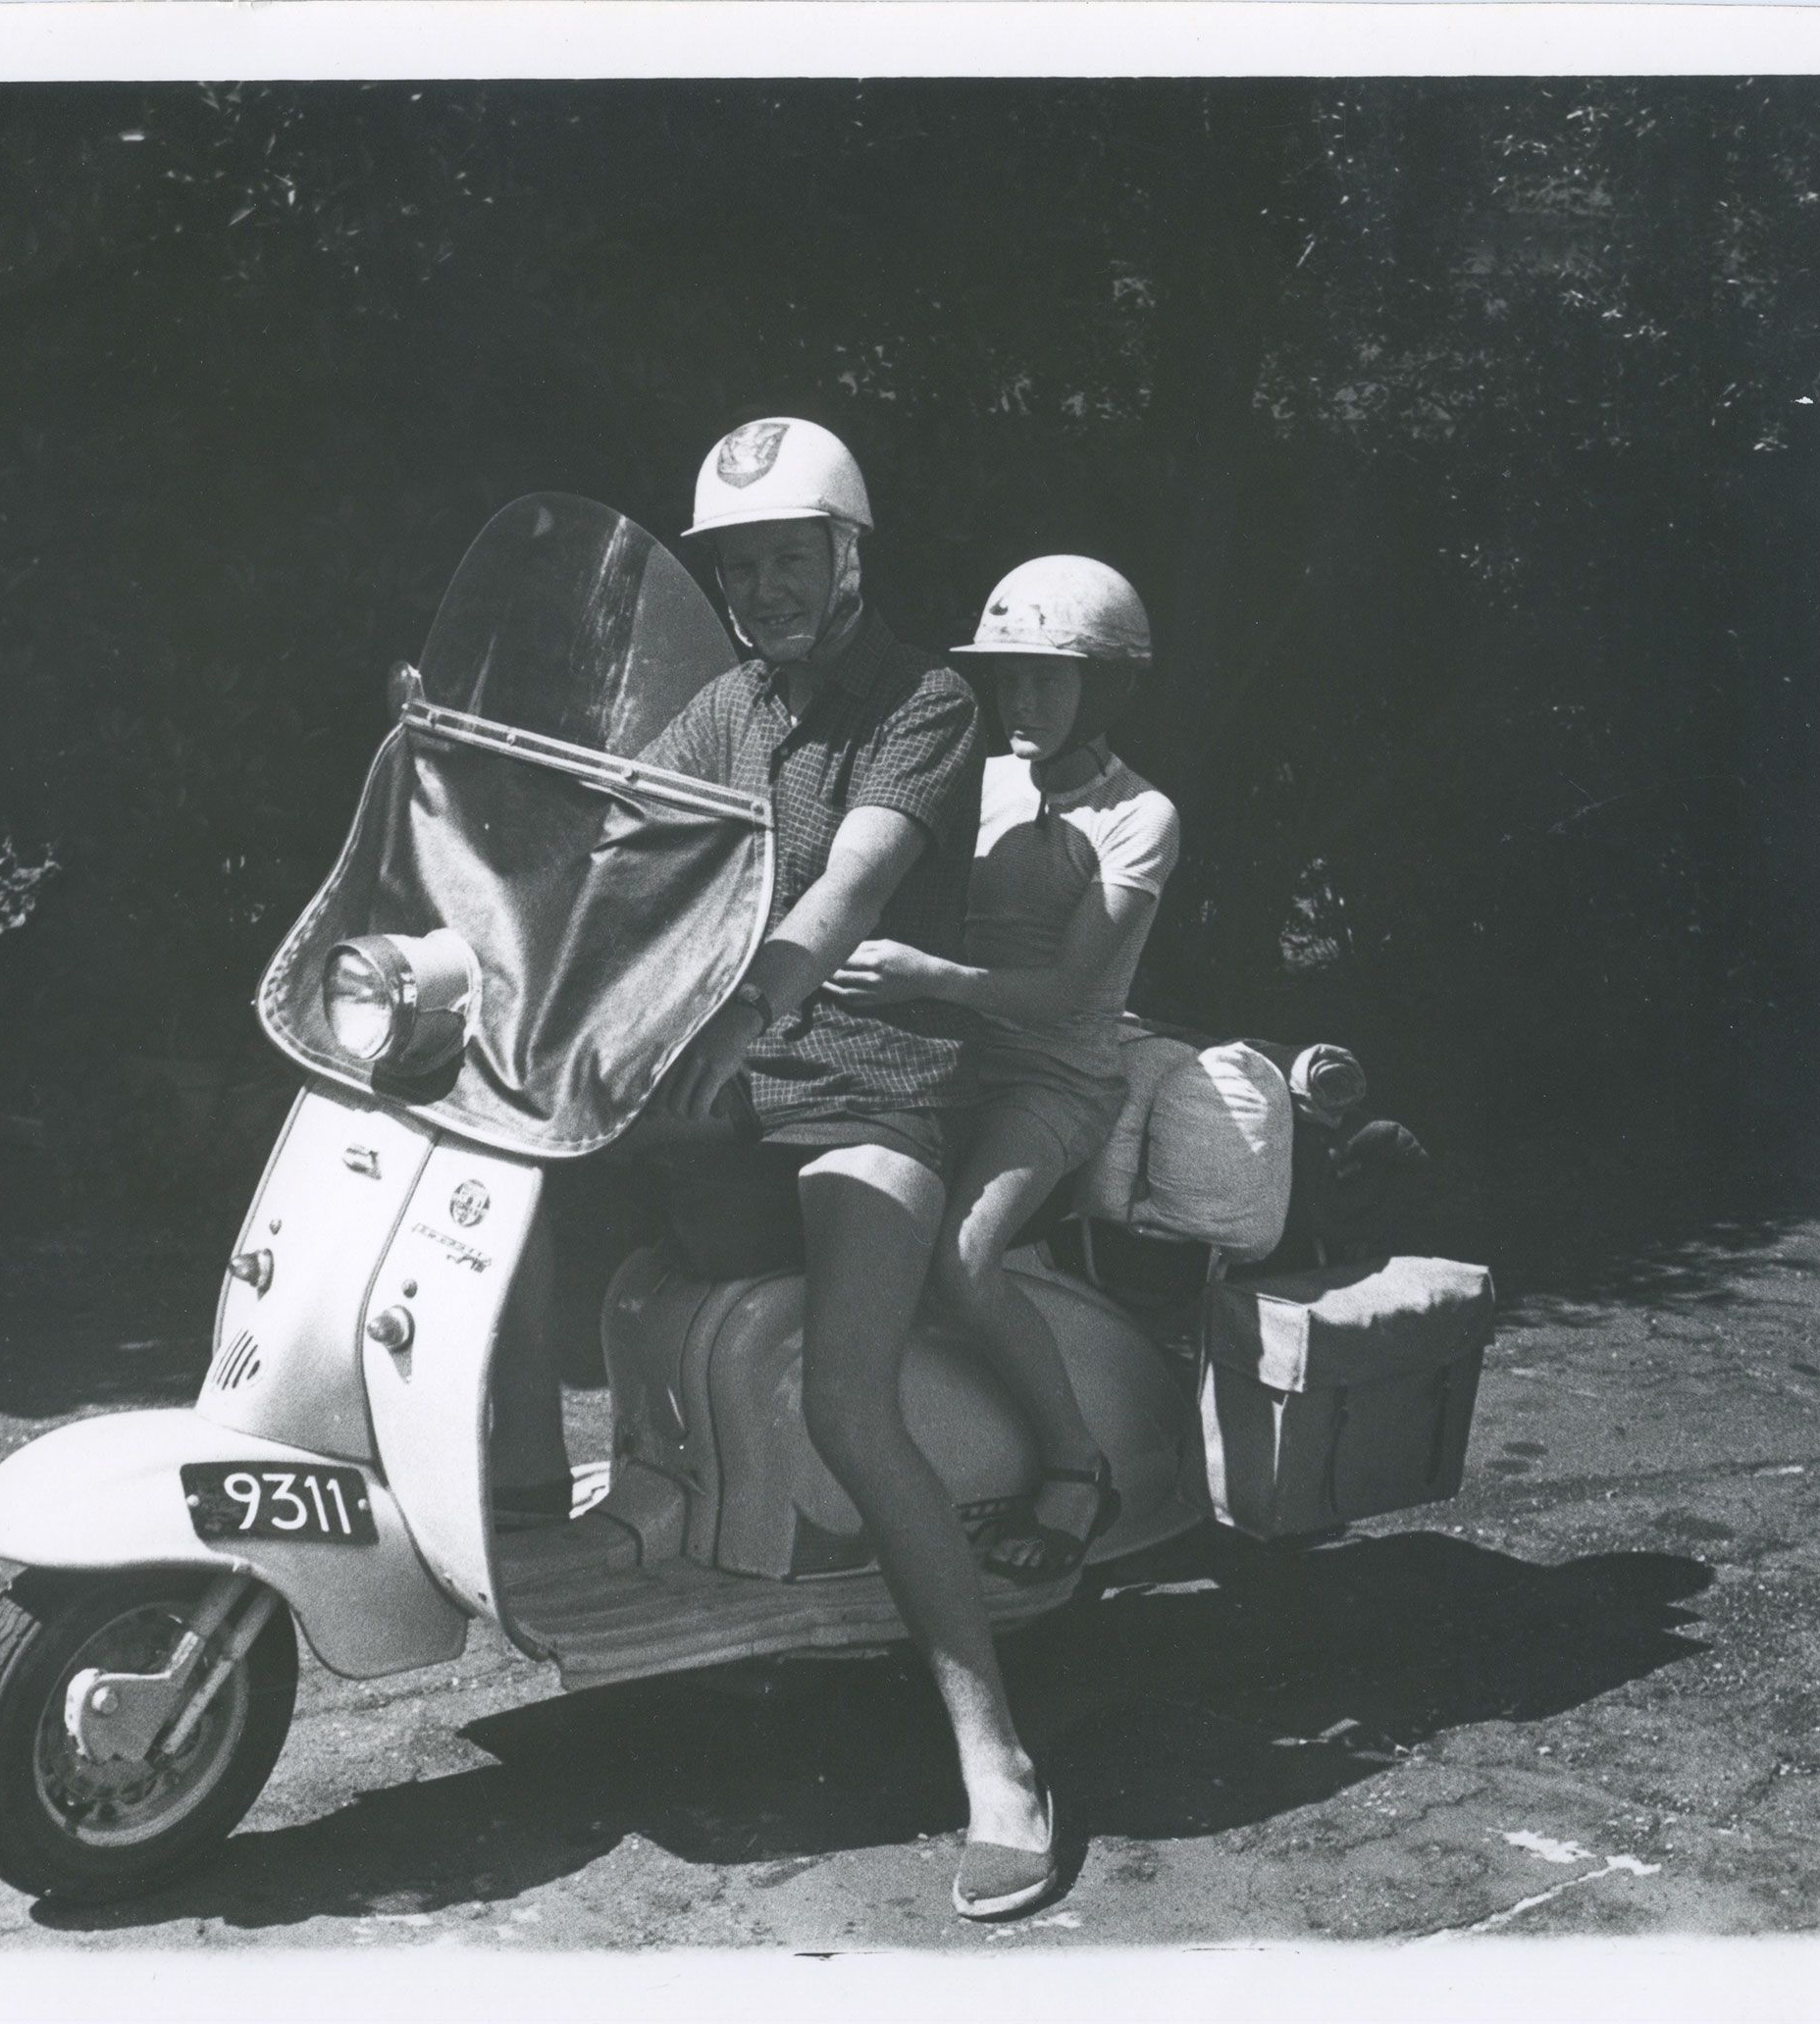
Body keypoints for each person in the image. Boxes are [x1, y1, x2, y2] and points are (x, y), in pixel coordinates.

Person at [622, 420, 1070, 1921]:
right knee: (527, 1221)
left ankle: (997, 1756)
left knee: (846, 1393)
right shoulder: (726, 707)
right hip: (727, 1086)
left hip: (870, 1091)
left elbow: (850, 880)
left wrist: (762, 997)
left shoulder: (922, 699)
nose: (761, 586)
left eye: (786, 557)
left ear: (847, 555)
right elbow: (622, 836)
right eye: (736, 564)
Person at [828, 555, 1179, 1587]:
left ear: (1107, 685)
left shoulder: (1137, 817)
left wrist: (927, 976)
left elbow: (1072, 991)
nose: (1019, 699)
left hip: (1049, 1081)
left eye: (1047, 677)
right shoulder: (971, 777)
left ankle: (1076, 1464)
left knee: (966, 1257)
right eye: (1007, 676)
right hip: (933, 1052)